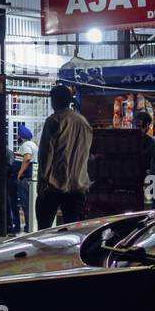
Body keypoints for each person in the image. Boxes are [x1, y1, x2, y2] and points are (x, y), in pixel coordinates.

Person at [36, 84, 93, 229]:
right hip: (78, 186)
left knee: (44, 229)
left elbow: (45, 155)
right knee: (73, 232)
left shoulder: (54, 121)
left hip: (53, 187)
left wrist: (41, 184)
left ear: (55, 101)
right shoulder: (84, 123)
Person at [14, 124, 38, 232]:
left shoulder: (26, 145)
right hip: (33, 178)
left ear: (21, 136)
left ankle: (29, 226)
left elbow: (27, 158)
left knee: (26, 204)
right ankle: (32, 225)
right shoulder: (33, 144)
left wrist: (20, 172)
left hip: (26, 178)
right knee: (31, 204)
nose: (17, 137)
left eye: (18, 135)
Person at [137, 111, 155, 208]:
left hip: (137, 176)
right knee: (150, 205)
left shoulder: (128, 139)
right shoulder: (150, 141)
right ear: (147, 125)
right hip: (147, 175)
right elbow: (152, 158)